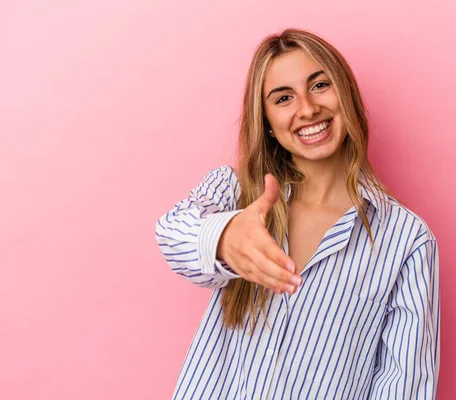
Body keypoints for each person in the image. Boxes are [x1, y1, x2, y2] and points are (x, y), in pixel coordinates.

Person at [155, 28, 440, 400]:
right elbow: (171, 233)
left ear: (347, 95)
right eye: (283, 97)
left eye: (320, 85)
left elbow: (405, 386)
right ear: (268, 122)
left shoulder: (407, 239)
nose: (307, 109)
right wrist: (224, 239)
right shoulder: (236, 192)